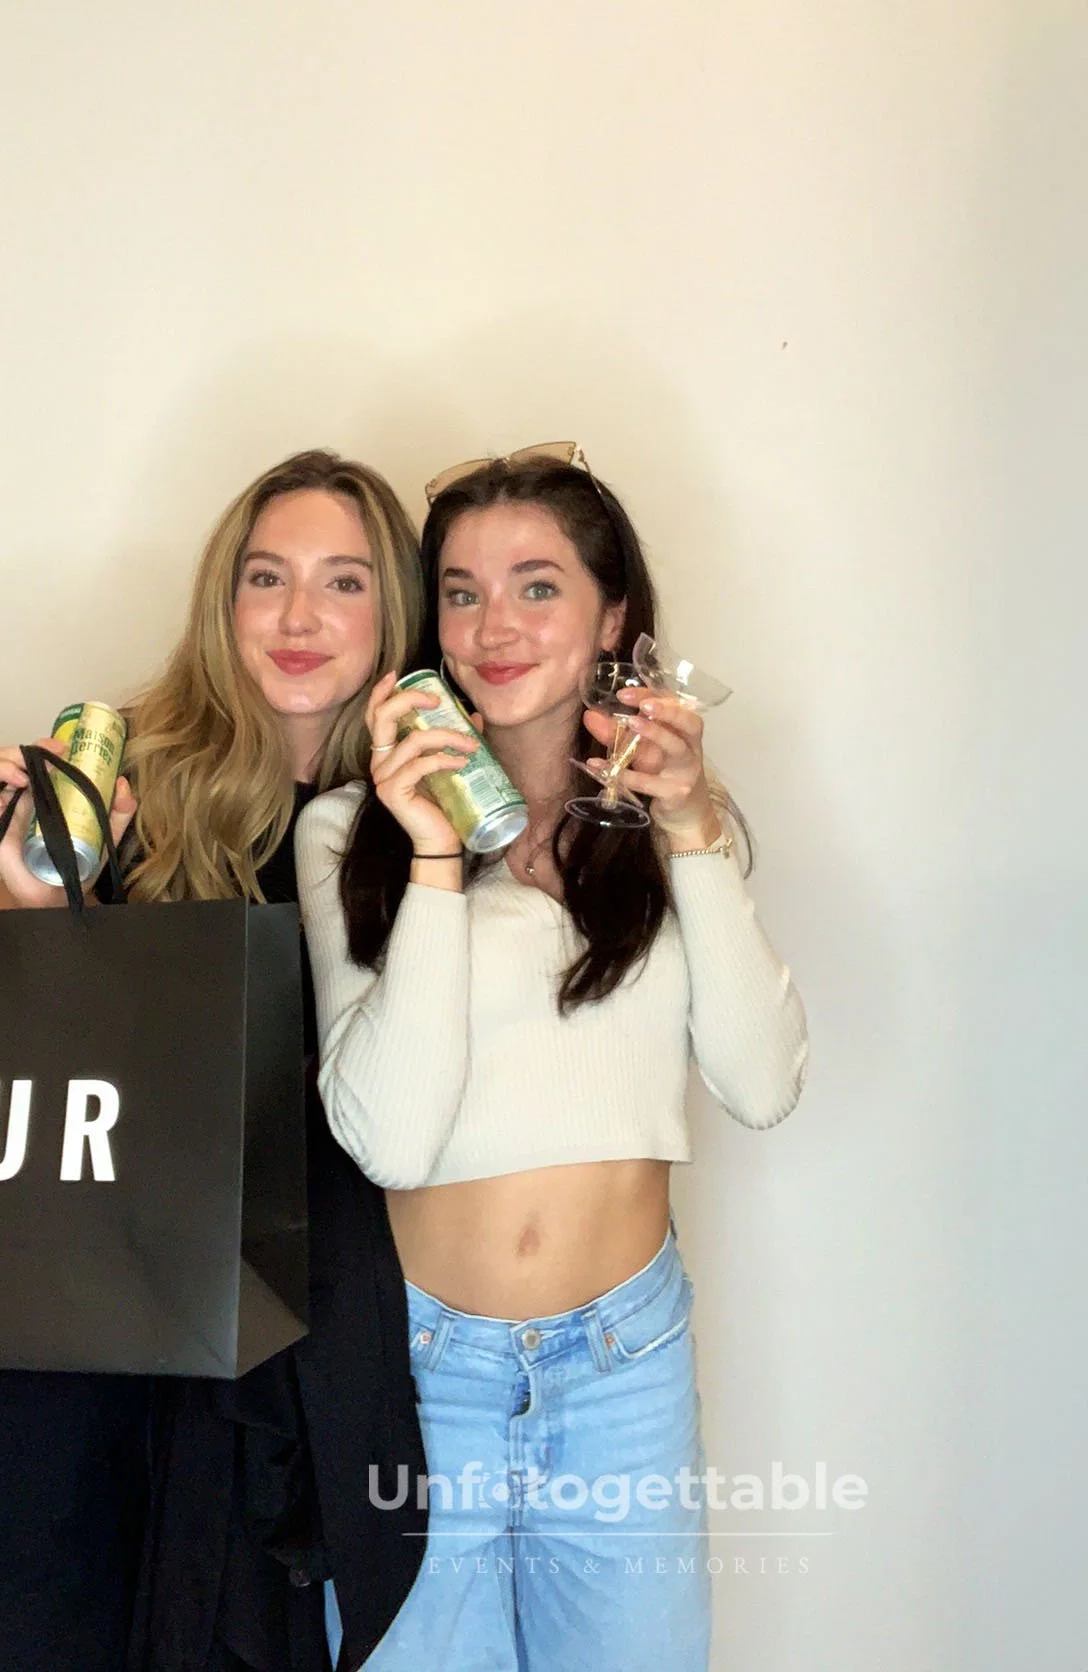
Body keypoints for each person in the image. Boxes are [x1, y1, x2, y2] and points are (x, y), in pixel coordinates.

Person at [295, 445, 809, 1672]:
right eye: (461, 593)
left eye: (538, 586)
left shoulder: (673, 832)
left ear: (611, 616)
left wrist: (692, 826)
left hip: (622, 1373)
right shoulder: (348, 834)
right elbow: (390, 1140)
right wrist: (434, 855)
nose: (495, 627)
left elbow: (763, 1084)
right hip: (420, 1378)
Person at [0, 448, 426, 1672]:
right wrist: (27, 882)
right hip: (86, 1336)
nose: (299, 617)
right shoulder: (130, 784)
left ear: (394, 612)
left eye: (345, 582)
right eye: (267, 577)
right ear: (222, 601)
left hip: (300, 1339)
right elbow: (7, 1058)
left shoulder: (424, 822)